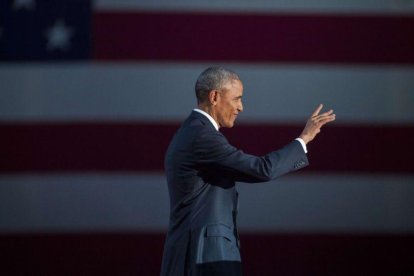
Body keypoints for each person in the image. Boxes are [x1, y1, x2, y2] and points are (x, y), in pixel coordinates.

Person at [160, 67, 336, 275]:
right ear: (214, 96)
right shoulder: (201, 136)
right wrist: (304, 139)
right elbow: (262, 169)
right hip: (202, 257)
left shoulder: (192, 131)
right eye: (237, 99)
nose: (241, 107)